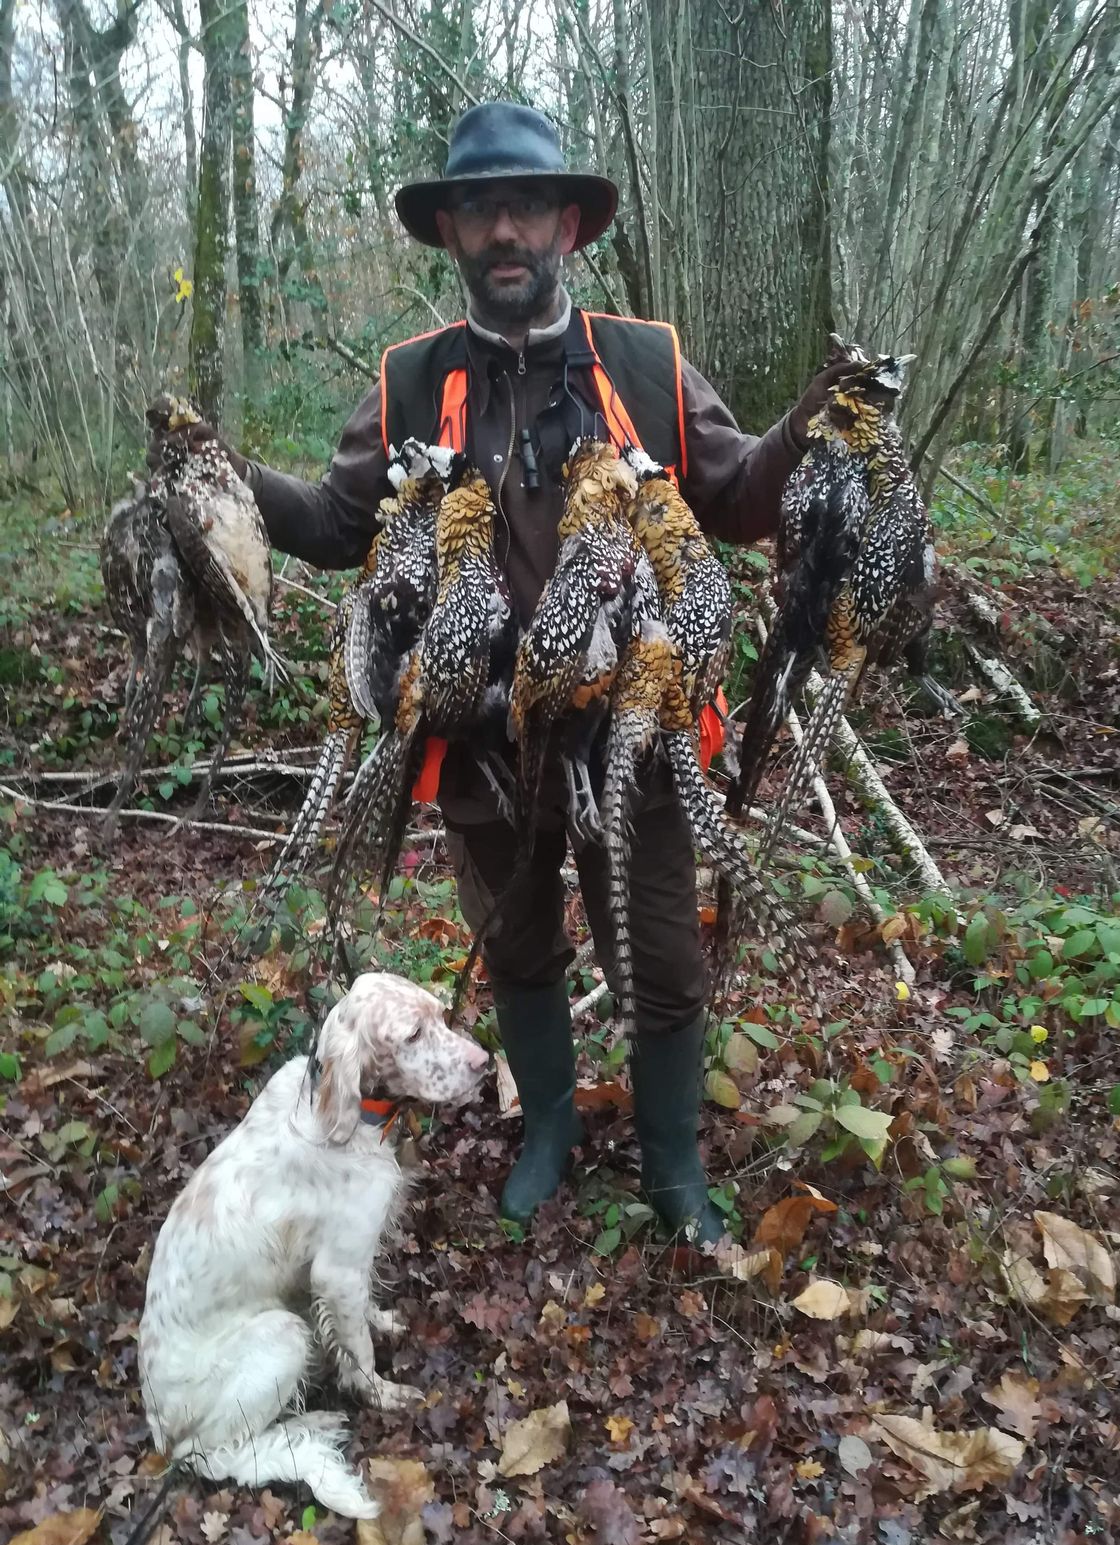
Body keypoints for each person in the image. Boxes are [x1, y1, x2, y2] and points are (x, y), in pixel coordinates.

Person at [218, 101, 850, 1244]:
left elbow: (744, 495)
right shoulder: (414, 381)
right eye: (478, 211)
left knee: (657, 952)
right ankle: (550, 1129)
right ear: (453, 234)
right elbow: (333, 521)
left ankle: (671, 1166)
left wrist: (816, 420)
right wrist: (222, 470)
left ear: (566, 223)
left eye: (522, 208)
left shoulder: (644, 363)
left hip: (633, 725)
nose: (502, 230)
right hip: (474, 732)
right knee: (514, 940)